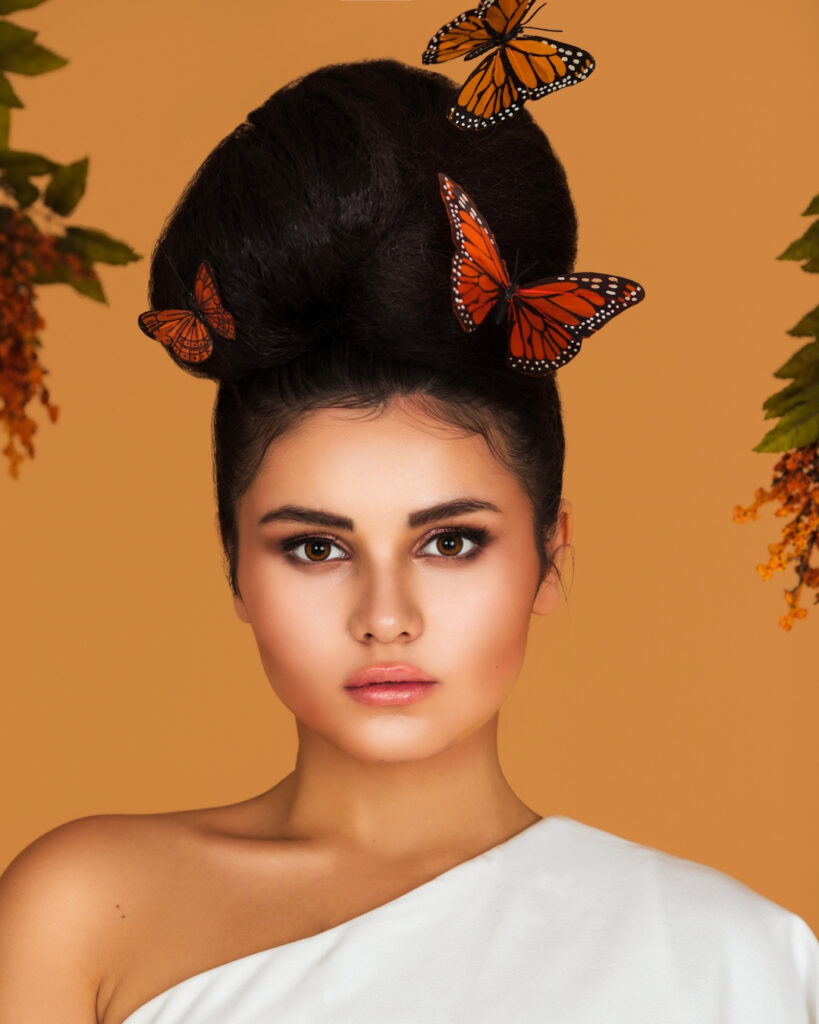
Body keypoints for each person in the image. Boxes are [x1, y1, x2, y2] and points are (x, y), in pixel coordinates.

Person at [0, 58, 816, 1024]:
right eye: (315, 548)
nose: (385, 617)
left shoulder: (728, 958)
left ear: (549, 556)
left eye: (451, 543)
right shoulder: (84, 913)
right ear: (234, 565)